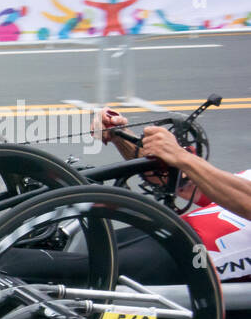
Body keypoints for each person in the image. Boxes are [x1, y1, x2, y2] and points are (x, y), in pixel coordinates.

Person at [98, 108, 251, 282]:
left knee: (74, 269)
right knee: (75, 248)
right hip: (173, 232)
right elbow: (182, 184)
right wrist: (121, 135)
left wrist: (180, 156)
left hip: (196, 260)